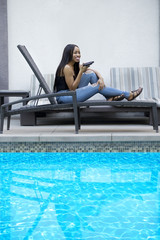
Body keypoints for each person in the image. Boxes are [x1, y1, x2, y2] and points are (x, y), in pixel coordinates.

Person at [54, 44, 143, 103]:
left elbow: (94, 71)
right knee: (97, 86)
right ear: (68, 54)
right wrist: (81, 72)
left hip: (71, 93)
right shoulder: (67, 68)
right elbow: (72, 88)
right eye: (75, 53)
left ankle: (109, 98)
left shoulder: (75, 66)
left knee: (91, 75)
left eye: (79, 52)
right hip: (64, 97)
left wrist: (101, 78)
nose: (78, 55)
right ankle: (128, 94)